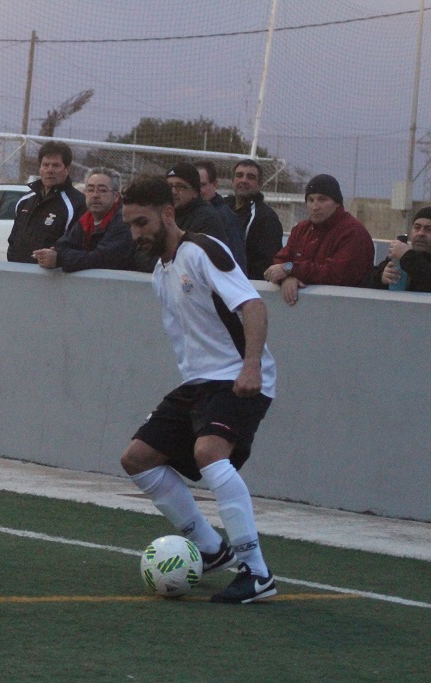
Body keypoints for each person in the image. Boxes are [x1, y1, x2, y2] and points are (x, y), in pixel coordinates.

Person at [119, 174, 278, 604]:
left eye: (142, 222)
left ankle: (256, 572)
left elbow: (253, 305)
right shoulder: (160, 271)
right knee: (137, 459)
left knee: (209, 452)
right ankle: (210, 549)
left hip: (238, 377)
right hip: (199, 383)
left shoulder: (203, 250)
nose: (136, 233)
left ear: (168, 214)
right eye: (130, 225)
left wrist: (251, 366)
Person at [265, 173, 375, 305]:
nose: (315, 207)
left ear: (337, 203)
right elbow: (279, 263)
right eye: (310, 200)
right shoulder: (300, 229)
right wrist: (287, 278)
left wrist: (290, 270)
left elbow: (335, 274)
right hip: (306, 309)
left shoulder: (353, 233)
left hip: (345, 308)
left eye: (322, 200)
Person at [32, 168, 134, 272]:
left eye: (102, 190)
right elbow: (61, 246)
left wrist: (60, 259)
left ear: (116, 196)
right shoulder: (86, 220)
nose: (95, 195)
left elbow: (103, 258)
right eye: (90, 190)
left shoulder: (124, 221)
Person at [6, 140, 86, 263]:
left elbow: (77, 248)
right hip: (18, 272)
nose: (49, 170)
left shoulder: (77, 204)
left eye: (56, 165)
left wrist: (57, 260)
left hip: (52, 275)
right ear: (40, 168)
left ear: (67, 169)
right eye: (45, 165)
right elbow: (13, 241)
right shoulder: (25, 200)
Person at [226, 159, 283, 280]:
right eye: (239, 175)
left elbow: (267, 263)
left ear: (260, 184)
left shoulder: (267, 218)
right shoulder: (221, 209)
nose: (243, 180)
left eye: (250, 177)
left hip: (245, 285)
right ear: (232, 181)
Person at [365, 206, 431, 292]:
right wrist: (381, 277)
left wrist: (407, 256)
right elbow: (367, 280)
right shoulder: (401, 255)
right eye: (417, 227)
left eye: (429, 229)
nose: (421, 233)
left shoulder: (406, 256)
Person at [196, 160, 248, 274]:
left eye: (202, 185)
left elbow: (237, 263)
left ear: (214, 184)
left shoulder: (227, 219)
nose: (198, 190)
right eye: (193, 185)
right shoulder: (185, 214)